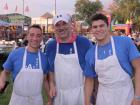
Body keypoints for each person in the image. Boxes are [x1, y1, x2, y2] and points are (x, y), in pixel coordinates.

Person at [84, 13, 140, 105]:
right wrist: (87, 101)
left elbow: (138, 67)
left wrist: (137, 97)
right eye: (95, 27)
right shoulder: (90, 53)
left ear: (108, 26)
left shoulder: (124, 42)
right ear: (91, 30)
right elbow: (89, 79)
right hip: (103, 97)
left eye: (101, 26)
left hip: (126, 95)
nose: (98, 29)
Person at [45, 13, 92, 105]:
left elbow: (91, 72)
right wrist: (51, 83)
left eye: (64, 23)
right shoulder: (51, 46)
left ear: (70, 24)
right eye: (57, 25)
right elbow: (51, 69)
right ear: (54, 28)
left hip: (81, 93)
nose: (61, 27)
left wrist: (89, 98)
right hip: (60, 95)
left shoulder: (84, 43)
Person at [0, 24, 50, 105]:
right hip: (17, 100)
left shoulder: (44, 58)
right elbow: (5, 72)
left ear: (41, 38)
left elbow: (44, 80)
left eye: (38, 36)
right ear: (27, 36)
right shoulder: (16, 53)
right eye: (32, 35)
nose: (35, 38)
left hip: (36, 100)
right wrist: (2, 81)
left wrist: (50, 99)